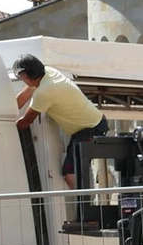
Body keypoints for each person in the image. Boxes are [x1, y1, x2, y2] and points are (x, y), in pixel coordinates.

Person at [13, 54, 110, 189]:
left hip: (91, 128)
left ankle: (84, 203)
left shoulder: (44, 92)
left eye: (20, 77)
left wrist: (5, 126)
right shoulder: (48, 72)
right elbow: (22, 97)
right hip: (92, 124)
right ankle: (84, 200)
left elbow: (25, 122)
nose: (21, 80)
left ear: (26, 76)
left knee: (70, 173)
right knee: (74, 171)